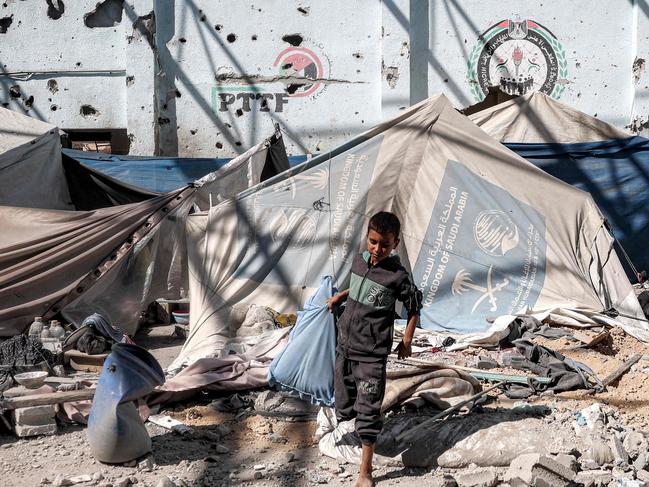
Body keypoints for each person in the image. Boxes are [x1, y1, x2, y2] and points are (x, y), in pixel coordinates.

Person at [326, 211, 422, 487]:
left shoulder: (397, 276)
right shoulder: (359, 261)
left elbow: (414, 307)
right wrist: (340, 295)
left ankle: (365, 471)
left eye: (384, 244)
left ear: (395, 244)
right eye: (373, 242)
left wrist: (407, 340)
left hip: (371, 354)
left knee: (367, 410)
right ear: (366, 238)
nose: (377, 249)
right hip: (345, 347)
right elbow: (358, 286)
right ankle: (361, 428)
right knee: (344, 404)